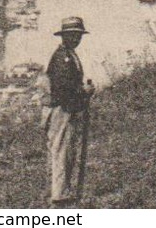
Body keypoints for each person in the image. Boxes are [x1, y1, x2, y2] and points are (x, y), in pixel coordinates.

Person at [43, 17, 94, 206]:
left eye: (78, 35)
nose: (76, 39)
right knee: (61, 151)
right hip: (61, 110)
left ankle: (61, 191)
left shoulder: (69, 54)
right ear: (64, 36)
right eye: (72, 35)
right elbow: (64, 88)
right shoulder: (62, 58)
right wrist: (84, 92)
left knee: (66, 151)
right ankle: (59, 195)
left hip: (66, 109)